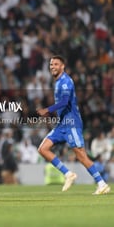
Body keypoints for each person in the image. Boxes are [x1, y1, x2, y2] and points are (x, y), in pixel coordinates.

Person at [37, 55, 110, 195]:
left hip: (72, 124)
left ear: (62, 66)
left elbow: (64, 102)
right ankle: (68, 174)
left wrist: (48, 110)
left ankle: (102, 184)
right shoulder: (58, 82)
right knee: (43, 149)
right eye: (51, 64)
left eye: (56, 64)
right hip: (62, 124)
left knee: (81, 155)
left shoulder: (65, 82)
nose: (52, 67)